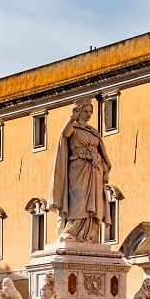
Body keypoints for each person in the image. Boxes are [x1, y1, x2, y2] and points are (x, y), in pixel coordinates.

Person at [50, 99, 112, 243]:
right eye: (85, 111)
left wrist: (105, 171)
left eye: (91, 111)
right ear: (79, 112)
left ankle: (90, 233)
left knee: (94, 200)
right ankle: (73, 229)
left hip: (95, 168)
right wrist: (72, 119)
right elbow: (64, 134)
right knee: (78, 198)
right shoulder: (74, 128)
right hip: (78, 167)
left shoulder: (94, 132)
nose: (88, 114)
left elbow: (102, 153)